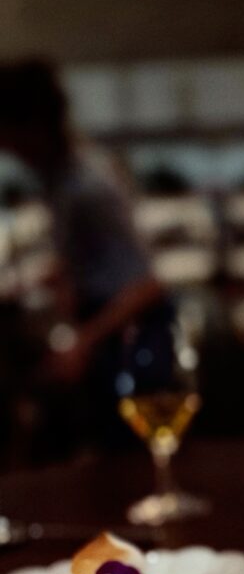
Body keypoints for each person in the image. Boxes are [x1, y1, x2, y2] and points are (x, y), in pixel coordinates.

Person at [0, 60, 167, 452]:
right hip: (109, 333)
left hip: (131, 339)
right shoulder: (60, 181)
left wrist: (83, 342)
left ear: (33, 126)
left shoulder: (86, 187)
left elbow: (146, 285)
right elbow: (90, 258)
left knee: (132, 457)